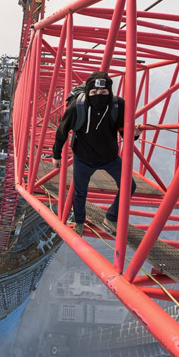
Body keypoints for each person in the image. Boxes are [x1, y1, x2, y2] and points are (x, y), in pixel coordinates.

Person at [52, 71, 141, 236]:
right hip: (83, 158)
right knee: (80, 193)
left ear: (109, 92)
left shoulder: (118, 105)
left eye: (103, 92)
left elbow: (125, 134)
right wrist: (56, 155)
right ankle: (79, 222)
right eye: (93, 92)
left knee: (130, 186)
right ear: (87, 92)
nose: (98, 96)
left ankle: (111, 217)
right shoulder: (76, 107)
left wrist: (134, 134)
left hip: (109, 158)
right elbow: (62, 131)